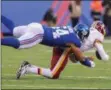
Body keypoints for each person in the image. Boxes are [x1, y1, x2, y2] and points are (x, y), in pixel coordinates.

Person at [1, 22, 95, 79]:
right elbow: (80, 58)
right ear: (82, 34)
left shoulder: (70, 29)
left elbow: (74, 57)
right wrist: (89, 63)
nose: (85, 39)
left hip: (37, 26)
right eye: (85, 37)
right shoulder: (75, 40)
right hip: (39, 34)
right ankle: (28, 68)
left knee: (13, 29)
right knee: (18, 43)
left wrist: (84, 57)